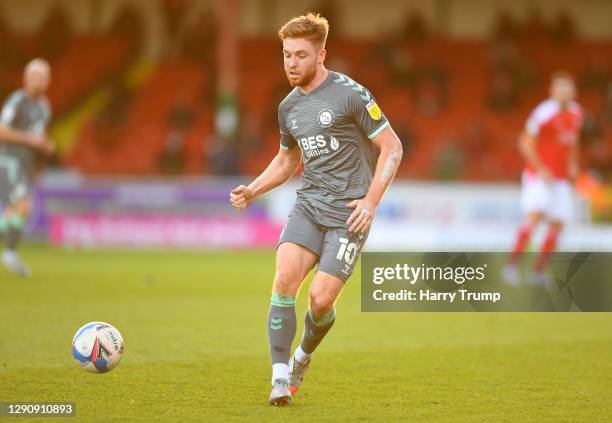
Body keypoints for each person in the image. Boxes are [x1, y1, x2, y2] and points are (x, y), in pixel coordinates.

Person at [229, 13, 403, 406]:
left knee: (321, 301)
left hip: (349, 213)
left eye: (301, 55)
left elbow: (392, 147)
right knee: (284, 280)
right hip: (308, 205)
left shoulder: (352, 94)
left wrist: (371, 202)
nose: (291, 63)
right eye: (287, 54)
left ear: (321, 55)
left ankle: (302, 356)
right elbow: (288, 160)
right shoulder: (288, 107)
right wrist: (253, 190)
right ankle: (278, 377)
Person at [502, 72, 582, 286]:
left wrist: (573, 164)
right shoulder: (543, 113)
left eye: (567, 88)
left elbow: (572, 143)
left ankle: (537, 271)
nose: (564, 92)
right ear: (552, 91)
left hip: (561, 178)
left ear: (573, 91)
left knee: (558, 223)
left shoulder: (576, 113)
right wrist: (541, 168)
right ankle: (511, 266)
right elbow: (524, 142)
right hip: (539, 176)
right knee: (534, 217)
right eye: (559, 88)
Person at [0, 58, 54, 277]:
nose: (37, 81)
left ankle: (11, 254)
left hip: (26, 164)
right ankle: (10, 254)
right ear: (24, 78)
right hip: (8, 161)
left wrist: (44, 146)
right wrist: (31, 140)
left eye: (41, 77)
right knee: (22, 206)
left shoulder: (44, 107)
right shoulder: (17, 102)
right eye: (33, 76)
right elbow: (2, 131)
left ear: (48, 81)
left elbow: (38, 138)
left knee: (17, 210)